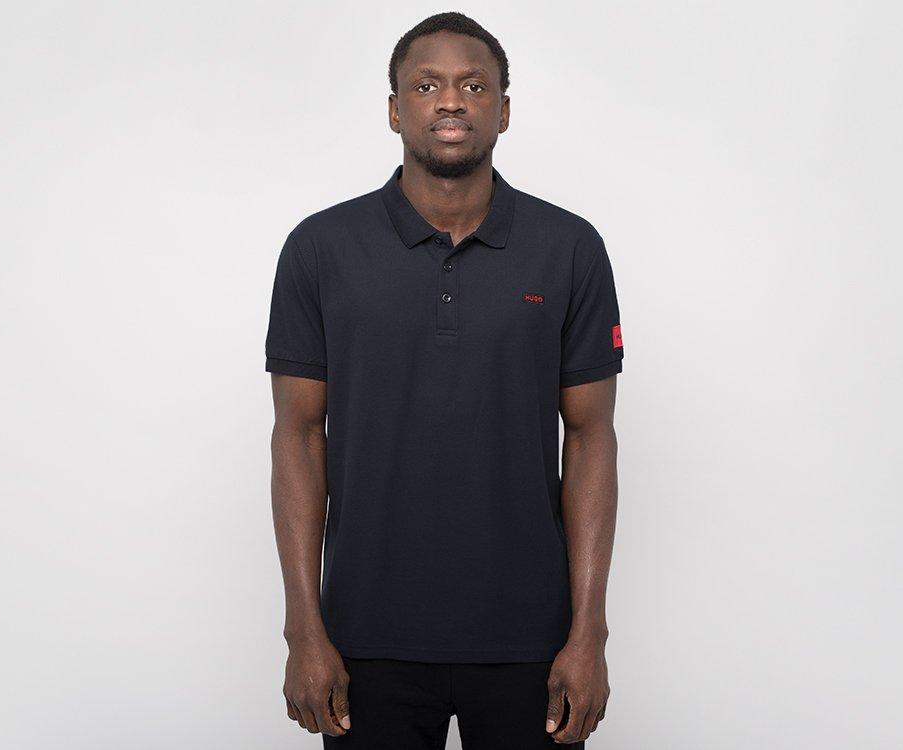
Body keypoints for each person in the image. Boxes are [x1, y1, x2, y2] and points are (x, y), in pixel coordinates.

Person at [265, 11, 624, 748]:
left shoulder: (570, 248)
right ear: (395, 110)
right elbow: (297, 436)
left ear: (504, 110)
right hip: (363, 637)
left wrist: (589, 634)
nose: (452, 100)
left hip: (532, 638)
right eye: (427, 85)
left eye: (473, 85)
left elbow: (591, 438)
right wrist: (304, 630)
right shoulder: (320, 248)